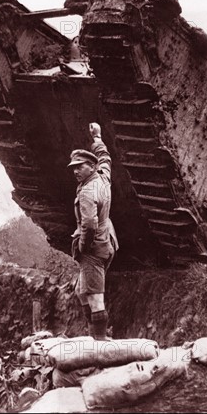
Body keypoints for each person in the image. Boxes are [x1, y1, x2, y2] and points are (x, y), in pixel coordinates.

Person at [69, 122, 119, 340]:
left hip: (93, 249)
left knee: (95, 298)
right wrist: (97, 137)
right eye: (74, 168)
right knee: (82, 291)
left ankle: (99, 342)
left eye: (79, 167)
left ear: (90, 166)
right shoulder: (102, 177)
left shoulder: (89, 192)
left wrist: (82, 248)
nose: (75, 171)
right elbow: (105, 158)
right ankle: (95, 335)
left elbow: (88, 225)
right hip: (106, 240)